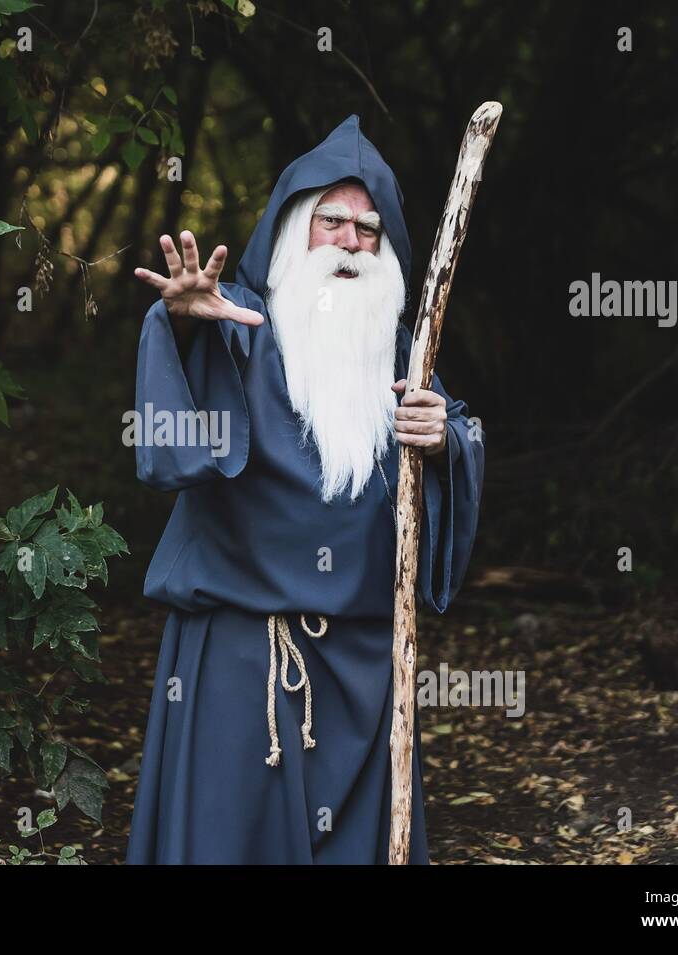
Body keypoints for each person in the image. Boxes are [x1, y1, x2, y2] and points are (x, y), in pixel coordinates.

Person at [124, 115, 484, 864]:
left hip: (363, 673)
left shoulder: (402, 365)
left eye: (369, 229)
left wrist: (444, 438)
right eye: (332, 222)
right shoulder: (236, 329)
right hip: (239, 663)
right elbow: (167, 456)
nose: (352, 242)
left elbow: (450, 458)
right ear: (294, 230)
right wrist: (181, 328)